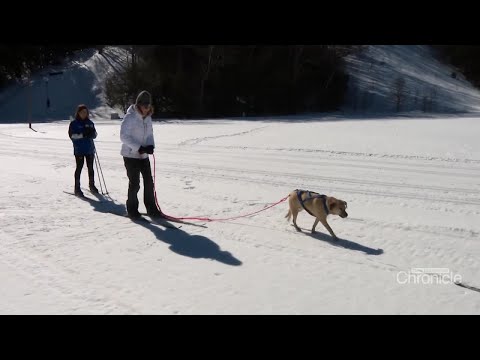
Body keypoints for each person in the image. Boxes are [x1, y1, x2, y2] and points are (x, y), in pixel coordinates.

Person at [120, 91, 162, 219]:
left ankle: (151, 208)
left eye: (148, 105)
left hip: (143, 156)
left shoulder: (148, 118)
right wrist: (138, 148)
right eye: (144, 105)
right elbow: (123, 136)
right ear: (138, 105)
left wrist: (150, 145)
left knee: (149, 182)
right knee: (135, 183)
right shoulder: (130, 117)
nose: (146, 108)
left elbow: (149, 134)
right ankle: (132, 209)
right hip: (130, 155)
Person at [68, 104, 99, 196]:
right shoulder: (74, 123)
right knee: (79, 168)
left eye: (85, 112)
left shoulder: (90, 123)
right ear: (78, 113)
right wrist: (83, 134)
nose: (84, 114)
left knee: (91, 168)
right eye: (82, 112)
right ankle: (77, 188)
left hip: (89, 149)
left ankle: (92, 185)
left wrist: (92, 134)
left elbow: (95, 134)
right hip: (79, 150)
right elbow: (72, 136)